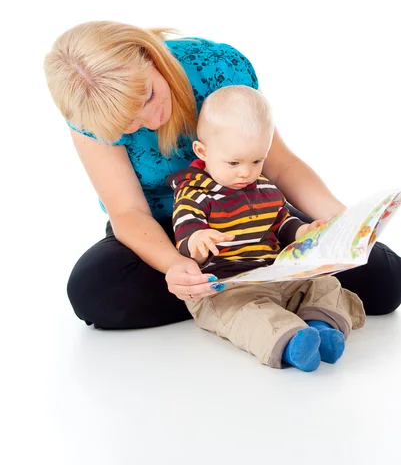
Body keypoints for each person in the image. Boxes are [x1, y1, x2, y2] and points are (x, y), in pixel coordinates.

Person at [43, 21, 401, 330]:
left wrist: (341, 222)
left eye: (149, 96)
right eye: (128, 125)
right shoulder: (89, 110)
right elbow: (127, 212)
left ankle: (239, 293)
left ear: (150, 55)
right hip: (170, 231)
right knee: (94, 291)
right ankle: (259, 289)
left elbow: (279, 164)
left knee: (386, 282)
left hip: (252, 214)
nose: (151, 121)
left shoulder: (216, 66)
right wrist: (176, 266)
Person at [167, 85, 365, 370]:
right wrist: (198, 239)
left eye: (256, 161)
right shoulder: (195, 194)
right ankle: (294, 344)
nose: (245, 172)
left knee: (325, 283)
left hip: (274, 275)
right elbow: (186, 233)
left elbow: (281, 222)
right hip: (227, 287)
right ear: (203, 151)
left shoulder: (265, 189)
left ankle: (321, 326)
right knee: (246, 315)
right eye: (233, 162)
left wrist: (303, 233)